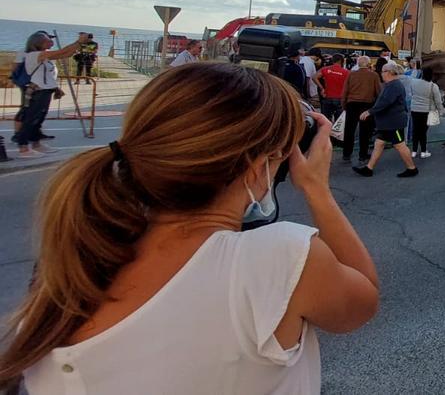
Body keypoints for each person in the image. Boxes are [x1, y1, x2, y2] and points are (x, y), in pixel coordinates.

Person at [0, 62, 379, 394]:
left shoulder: (75, 262)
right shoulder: (276, 258)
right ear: (256, 165)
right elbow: (363, 299)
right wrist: (316, 190)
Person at [13, 32, 82, 159]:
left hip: (45, 91)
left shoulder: (43, 55)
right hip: (37, 92)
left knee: (38, 119)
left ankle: (36, 144)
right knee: (30, 119)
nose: (50, 42)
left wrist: (79, 45)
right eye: (46, 40)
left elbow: (65, 54)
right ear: (37, 43)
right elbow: (61, 52)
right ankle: (23, 148)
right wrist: (78, 42)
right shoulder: (35, 55)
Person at [356, 62, 419, 178]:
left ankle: (412, 168)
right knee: (379, 143)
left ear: (389, 72)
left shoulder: (393, 85)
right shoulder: (392, 84)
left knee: (400, 145)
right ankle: (369, 168)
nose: (381, 74)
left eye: (383, 72)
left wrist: (369, 111)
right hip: (388, 123)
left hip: (393, 123)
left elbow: (385, 102)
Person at [341, 56, 381, 167]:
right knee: (365, 131)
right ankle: (362, 155)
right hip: (367, 105)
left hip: (352, 104)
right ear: (369, 64)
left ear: (358, 64)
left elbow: (345, 91)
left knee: (349, 130)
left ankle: (346, 155)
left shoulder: (351, 74)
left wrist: (344, 105)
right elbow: (379, 92)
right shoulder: (374, 75)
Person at [409, 66, 445, 159]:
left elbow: (411, 94)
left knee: (415, 130)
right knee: (423, 132)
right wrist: (441, 111)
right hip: (426, 111)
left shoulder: (413, 82)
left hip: (414, 109)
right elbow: (438, 101)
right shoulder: (433, 86)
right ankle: (423, 151)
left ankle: (413, 151)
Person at [316, 54, 349, 124]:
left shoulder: (325, 69)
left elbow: (314, 77)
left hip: (327, 97)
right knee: (339, 122)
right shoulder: (346, 72)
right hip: (340, 98)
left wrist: (322, 88)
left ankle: (325, 133)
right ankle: (335, 134)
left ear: (333, 60)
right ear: (341, 61)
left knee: (325, 120)